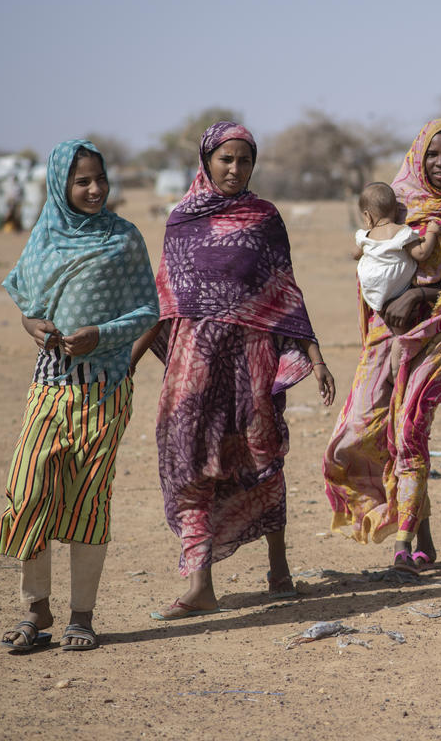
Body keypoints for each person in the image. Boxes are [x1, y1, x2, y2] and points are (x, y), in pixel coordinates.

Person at [132, 121, 335, 621]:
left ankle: (279, 567)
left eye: (244, 160)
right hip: (194, 362)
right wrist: (129, 360)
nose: (235, 168)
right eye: (226, 159)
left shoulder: (264, 217)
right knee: (189, 457)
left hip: (252, 358)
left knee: (261, 452)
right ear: (206, 161)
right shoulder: (181, 218)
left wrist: (315, 356)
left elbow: (284, 290)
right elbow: (164, 298)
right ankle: (200, 582)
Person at [0, 140, 159, 652]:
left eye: (100, 179)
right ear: (59, 185)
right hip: (47, 386)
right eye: (81, 181)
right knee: (28, 492)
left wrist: (101, 336)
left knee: (89, 500)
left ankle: (80, 618)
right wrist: (33, 326)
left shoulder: (124, 239)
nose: (93, 189)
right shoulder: (43, 236)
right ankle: (35, 608)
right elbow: (26, 304)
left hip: (103, 389)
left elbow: (147, 312)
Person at [323, 120, 441, 573]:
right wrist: (388, 302)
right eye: (433, 154)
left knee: (410, 427)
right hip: (387, 332)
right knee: (362, 427)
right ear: (419, 154)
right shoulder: (397, 200)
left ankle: (402, 544)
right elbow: (371, 263)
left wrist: (420, 295)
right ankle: (424, 536)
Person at [353, 181, 441, 313]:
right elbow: (421, 254)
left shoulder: (365, 235)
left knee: (384, 311)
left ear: (367, 216)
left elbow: (355, 255)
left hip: (371, 283)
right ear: (396, 210)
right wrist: (432, 232)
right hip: (394, 283)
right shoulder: (402, 232)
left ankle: (384, 314)